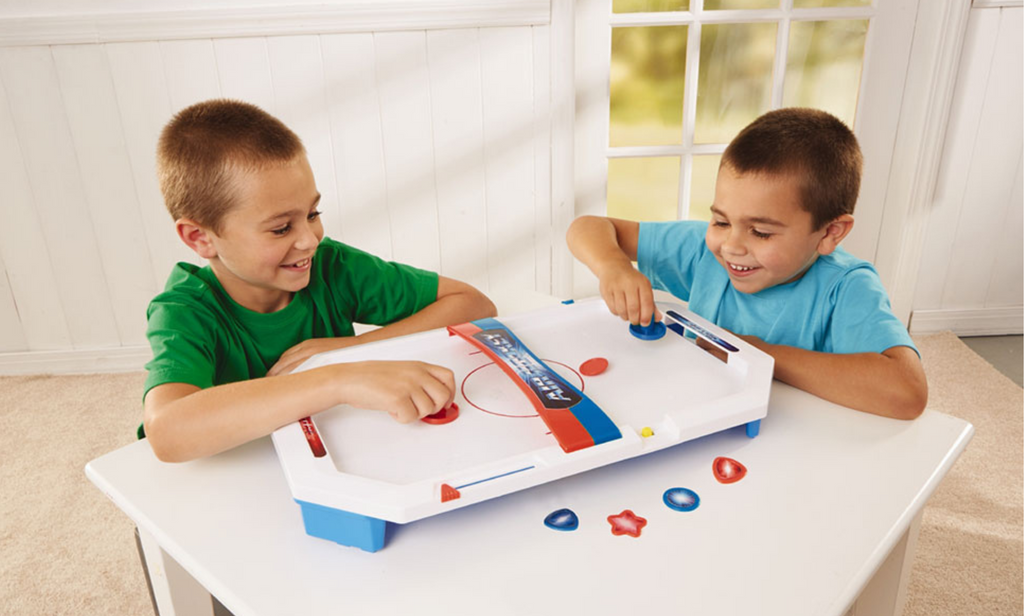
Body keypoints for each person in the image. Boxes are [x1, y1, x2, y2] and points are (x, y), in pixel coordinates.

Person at [142, 98, 497, 464]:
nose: (310, 239)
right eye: (281, 228)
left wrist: (349, 350)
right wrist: (336, 378)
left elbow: (472, 304)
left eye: (313, 213)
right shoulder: (183, 313)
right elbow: (168, 433)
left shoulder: (332, 266)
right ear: (200, 238)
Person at [566, 107, 927, 420]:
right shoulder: (704, 251)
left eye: (761, 232)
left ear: (830, 232)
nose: (731, 246)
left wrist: (754, 352)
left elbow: (907, 391)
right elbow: (588, 227)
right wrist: (613, 265)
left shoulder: (847, 286)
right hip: (704, 419)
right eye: (721, 221)